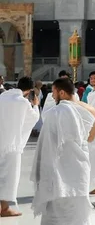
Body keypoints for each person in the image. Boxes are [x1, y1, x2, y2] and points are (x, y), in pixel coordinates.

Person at [31, 78, 95, 225]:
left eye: (53, 92)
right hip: (80, 165)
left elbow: (46, 143)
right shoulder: (90, 110)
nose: (53, 96)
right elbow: (91, 138)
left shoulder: (55, 112)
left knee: (56, 207)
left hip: (57, 167)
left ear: (62, 92)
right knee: (78, 205)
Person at [0, 76, 40, 217]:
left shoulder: (2, 97)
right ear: (29, 90)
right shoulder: (23, 103)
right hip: (12, 145)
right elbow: (32, 119)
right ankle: (4, 208)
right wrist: (35, 105)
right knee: (9, 177)